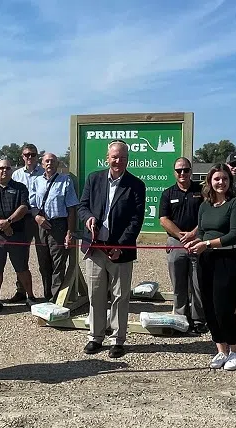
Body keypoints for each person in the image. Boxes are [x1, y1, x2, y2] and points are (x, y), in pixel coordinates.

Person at [78, 140, 146, 359]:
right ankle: (95, 336)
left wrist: (121, 246)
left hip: (120, 250)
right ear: (107, 158)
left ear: (128, 159)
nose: (118, 161)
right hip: (95, 248)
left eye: (123, 157)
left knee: (120, 296)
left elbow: (136, 220)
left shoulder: (136, 185)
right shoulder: (94, 179)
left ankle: (117, 339)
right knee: (95, 294)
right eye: (115, 157)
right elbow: (82, 206)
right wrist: (88, 218)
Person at [184, 164, 236, 370]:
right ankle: (221, 350)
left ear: (230, 181)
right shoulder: (205, 205)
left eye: (225, 179)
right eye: (217, 179)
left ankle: (235, 350)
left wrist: (206, 244)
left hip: (228, 259)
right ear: (210, 181)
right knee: (209, 307)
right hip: (207, 259)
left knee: (224, 308)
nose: (221, 182)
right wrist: (196, 243)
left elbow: (234, 234)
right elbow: (202, 232)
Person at [0, 159, 37, 312]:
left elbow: (24, 207)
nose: (4, 170)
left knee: (22, 267)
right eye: (1, 168)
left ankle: (30, 297)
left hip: (17, 234)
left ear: (11, 171)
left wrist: (9, 222)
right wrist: (1, 224)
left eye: (7, 168)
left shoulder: (20, 187)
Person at [159, 157, 206, 333]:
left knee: (197, 283)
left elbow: (207, 214)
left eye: (186, 170)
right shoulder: (168, 193)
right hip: (176, 242)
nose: (182, 173)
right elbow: (164, 219)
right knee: (178, 283)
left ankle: (198, 319)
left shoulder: (201, 191)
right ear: (174, 172)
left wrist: (193, 234)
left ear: (191, 171)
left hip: (197, 240)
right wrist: (180, 235)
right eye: (179, 170)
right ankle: (181, 317)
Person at [30, 153, 79, 301]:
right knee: (43, 262)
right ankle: (47, 295)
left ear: (57, 164)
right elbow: (32, 205)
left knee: (58, 263)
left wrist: (69, 232)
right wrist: (37, 217)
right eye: (47, 161)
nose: (49, 163)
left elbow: (71, 208)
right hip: (41, 224)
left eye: (52, 161)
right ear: (42, 164)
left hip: (58, 225)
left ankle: (56, 298)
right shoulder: (36, 181)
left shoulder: (65, 181)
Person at [9, 143, 46, 303]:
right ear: (22, 156)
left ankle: (48, 292)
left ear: (37, 156)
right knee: (21, 256)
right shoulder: (16, 175)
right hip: (22, 219)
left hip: (40, 218)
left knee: (43, 255)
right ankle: (21, 290)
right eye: (26, 154)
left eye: (32, 154)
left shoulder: (44, 173)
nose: (29, 157)